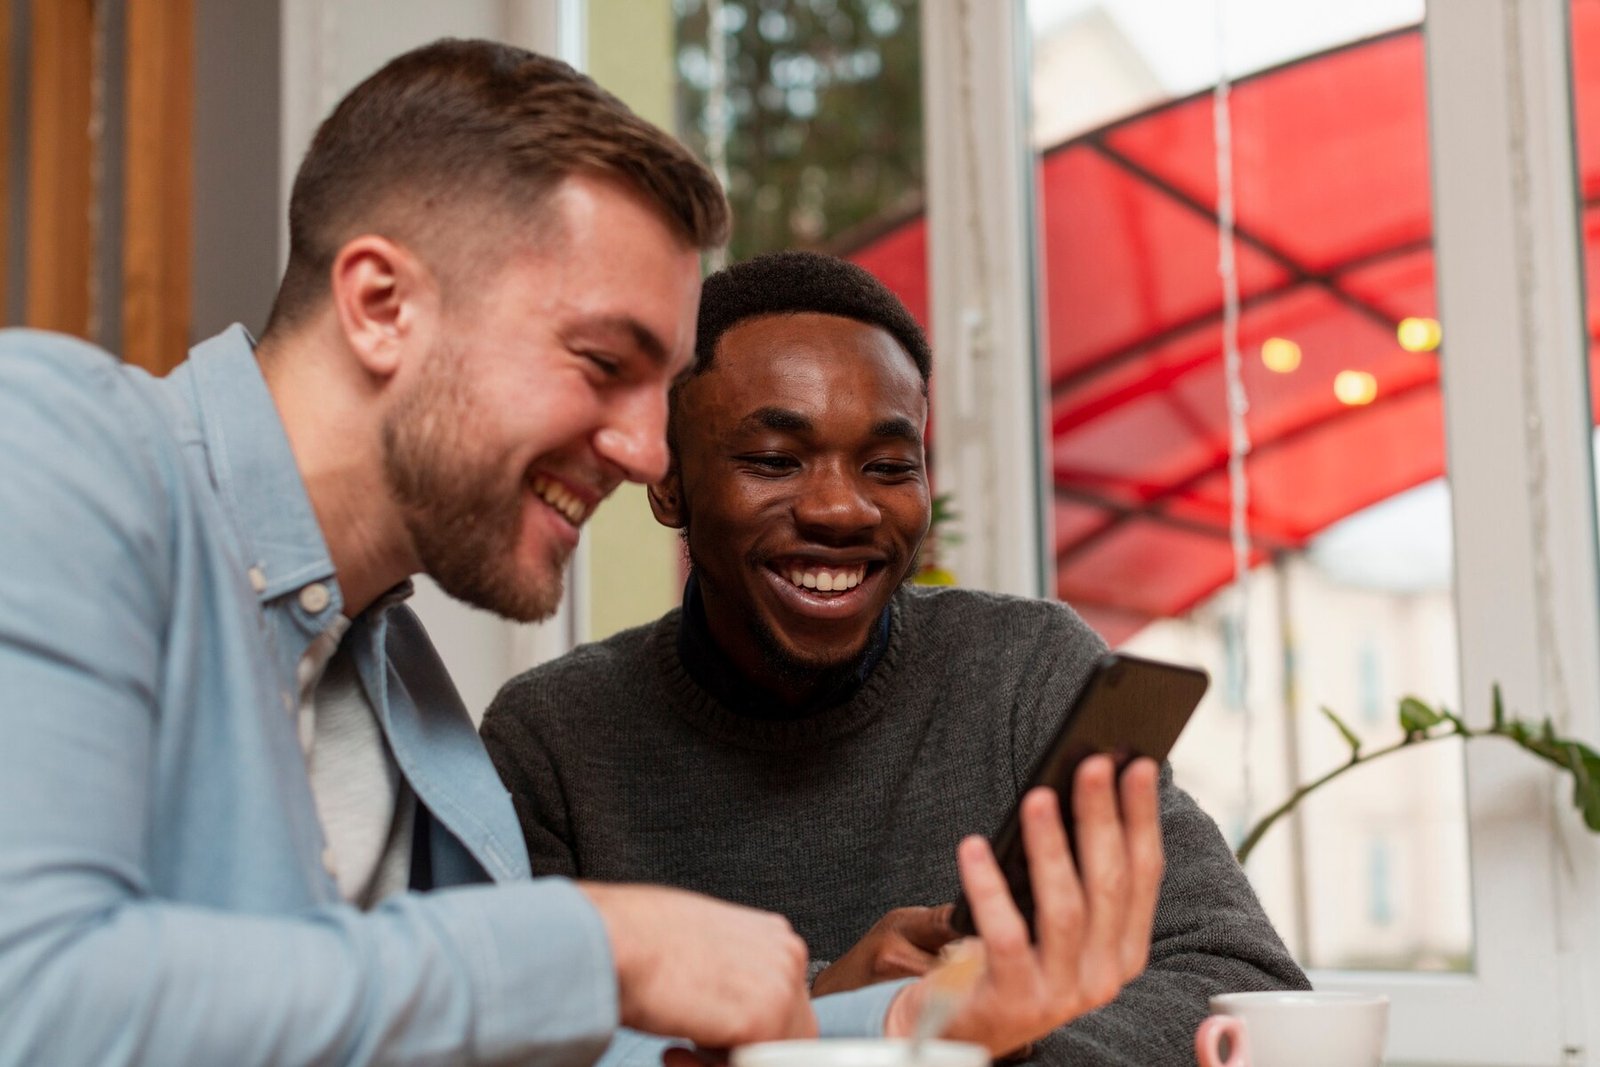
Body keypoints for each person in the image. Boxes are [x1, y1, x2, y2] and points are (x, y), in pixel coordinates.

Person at [0, 42, 1103, 1065]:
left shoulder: (406, 703)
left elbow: (490, 1040)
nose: (640, 448)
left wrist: (903, 1022)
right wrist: (594, 943)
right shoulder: (55, 449)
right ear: (382, 305)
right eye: (599, 362)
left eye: (657, 391)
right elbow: (33, 1000)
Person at [482, 250, 1310, 1066]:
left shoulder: (1025, 673)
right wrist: (840, 1016)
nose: (842, 508)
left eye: (888, 466)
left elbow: (1243, 982)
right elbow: (517, 1039)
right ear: (668, 480)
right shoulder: (554, 739)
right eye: (774, 460)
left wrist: (972, 1040)